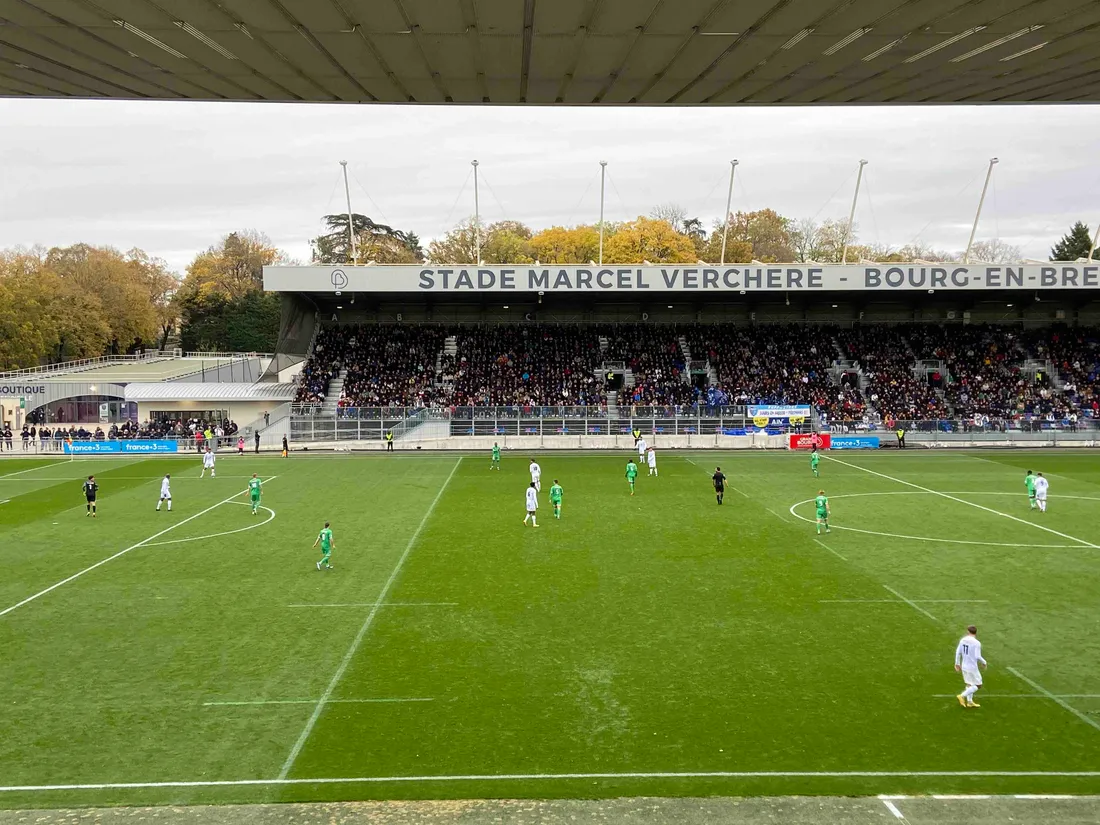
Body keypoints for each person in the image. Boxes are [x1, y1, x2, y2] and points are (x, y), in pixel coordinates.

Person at [954, 625, 987, 708]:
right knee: (978, 685)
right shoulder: (976, 643)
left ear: (968, 632)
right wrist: (984, 662)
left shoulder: (963, 640)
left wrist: (957, 663)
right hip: (972, 667)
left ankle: (969, 702)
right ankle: (962, 696)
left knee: (969, 684)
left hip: (964, 665)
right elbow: (977, 656)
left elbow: (958, 652)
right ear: (976, 632)